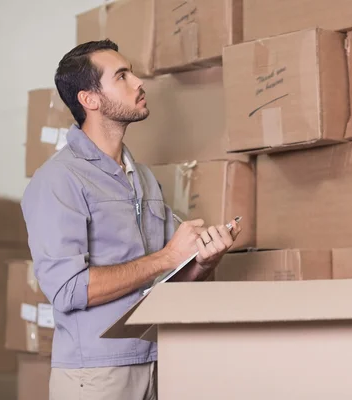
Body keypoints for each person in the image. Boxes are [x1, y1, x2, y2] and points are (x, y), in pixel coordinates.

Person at [21, 39, 241, 400]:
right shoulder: (59, 181)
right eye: (122, 76)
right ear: (89, 100)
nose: (139, 82)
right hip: (96, 375)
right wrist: (167, 257)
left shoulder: (140, 176)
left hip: (156, 362)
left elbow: (167, 276)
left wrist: (202, 261)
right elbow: (67, 289)